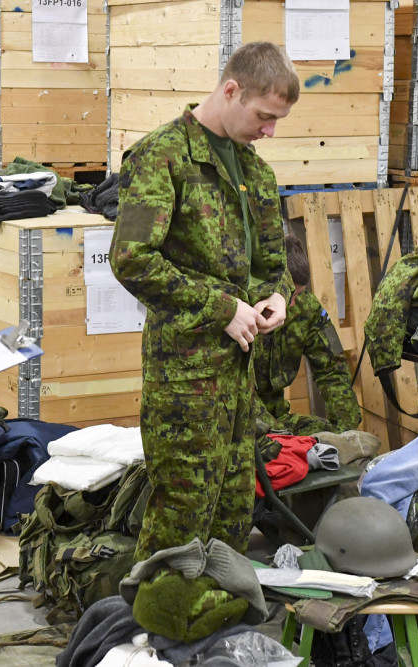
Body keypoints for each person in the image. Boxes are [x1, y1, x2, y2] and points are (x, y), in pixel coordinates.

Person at [109, 41, 299, 560]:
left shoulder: (254, 172)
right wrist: (222, 308)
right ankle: (157, 631)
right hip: (185, 377)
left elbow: (271, 263)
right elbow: (130, 259)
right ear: (231, 90)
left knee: (234, 511)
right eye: (264, 116)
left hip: (241, 376)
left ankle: (217, 629)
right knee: (182, 516)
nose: (270, 131)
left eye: (277, 121)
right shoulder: (162, 156)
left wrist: (277, 296)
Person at [254, 233, 362, 435]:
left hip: (279, 420)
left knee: (329, 437)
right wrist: (281, 436)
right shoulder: (243, 313)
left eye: (299, 294)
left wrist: (345, 433)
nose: (293, 303)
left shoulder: (308, 309)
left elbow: (333, 369)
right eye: (289, 294)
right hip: (240, 427)